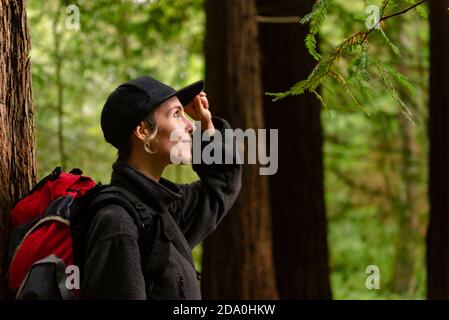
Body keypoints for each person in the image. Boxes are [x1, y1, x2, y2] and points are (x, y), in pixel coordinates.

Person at [77, 76, 241, 299]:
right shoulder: (118, 222)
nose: (189, 126)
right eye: (176, 114)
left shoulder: (165, 210)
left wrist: (208, 127)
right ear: (143, 131)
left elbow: (222, 185)